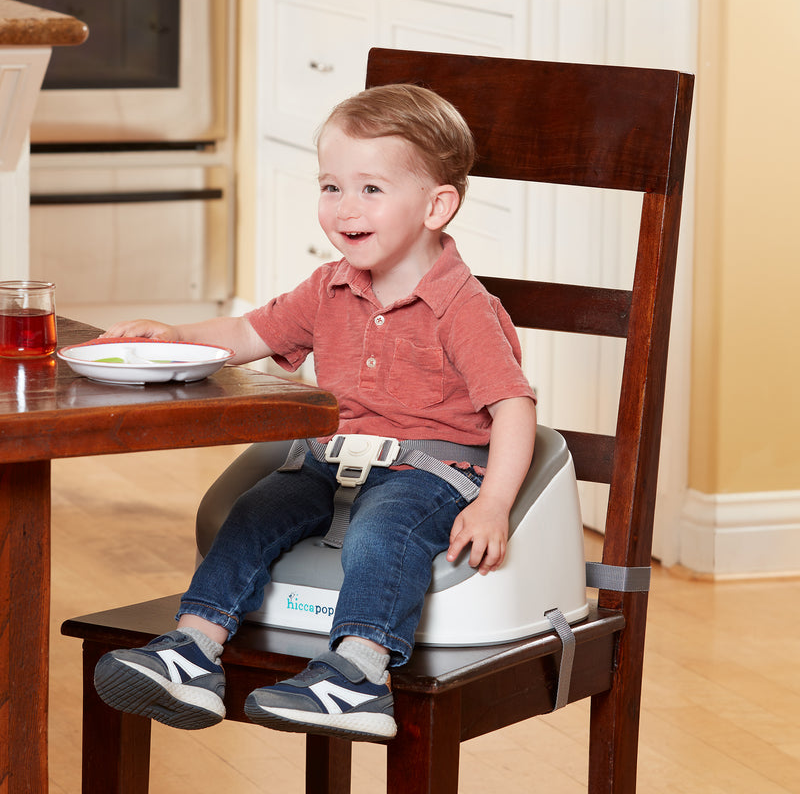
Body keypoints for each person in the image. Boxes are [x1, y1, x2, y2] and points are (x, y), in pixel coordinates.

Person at [92, 83, 537, 742]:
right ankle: (192, 650)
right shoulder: (329, 286)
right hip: (332, 460)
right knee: (253, 513)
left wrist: (494, 503)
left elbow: (513, 407)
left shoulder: (462, 307)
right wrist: (174, 335)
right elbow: (247, 333)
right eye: (331, 187)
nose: (344, 208)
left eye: (371, 189)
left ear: (437, 206)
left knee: (380, 534)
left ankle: (357, 676)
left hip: (431, 472)